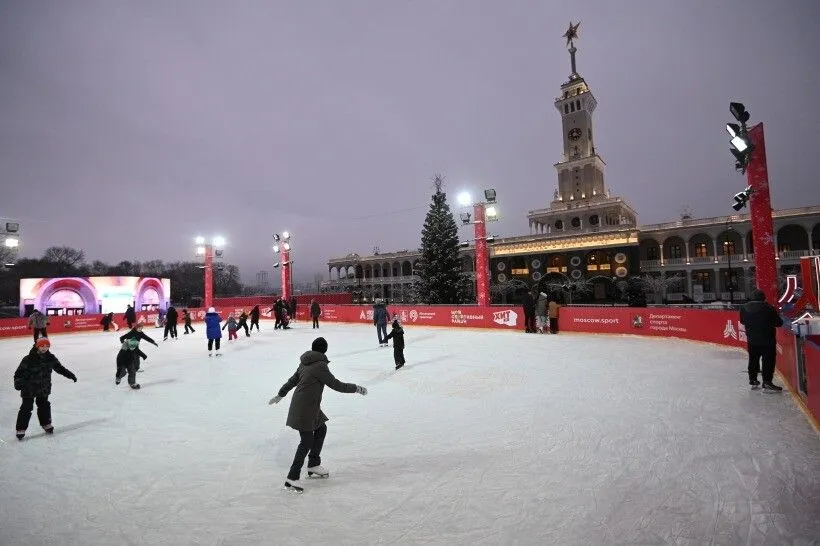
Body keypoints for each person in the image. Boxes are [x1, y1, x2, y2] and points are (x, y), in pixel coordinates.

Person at [269, 337, 368, 492]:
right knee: (306, 441)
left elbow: (292, 381)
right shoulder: (320, 365)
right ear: (325, 350)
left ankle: (313, 464)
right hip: (305, 408)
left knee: (321, 429)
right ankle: (292, 477)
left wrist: (281, 394)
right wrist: (356, 388)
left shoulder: (305, 362)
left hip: (307, 405)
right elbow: (336, 385)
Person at [14, 337, 77, 440]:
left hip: (43, 387)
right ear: (37, 346)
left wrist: (70, 375)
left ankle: (46, 423)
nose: (44, 348)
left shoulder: (50, 358)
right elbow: (19, 373)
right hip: (28, 388)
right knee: (26, 408)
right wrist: (18, 383)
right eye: (42, 346)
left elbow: (59, 368)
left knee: (44, 405)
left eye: (47, 346)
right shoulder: (28, 359)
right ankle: (21, 429)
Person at [740, 289, 784, 391]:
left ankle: (753, 379)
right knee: (768, 361)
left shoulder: (744, 308)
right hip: (767, 340)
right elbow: (779, 323)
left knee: (753, 359)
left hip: (752, 339)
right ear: (763, 298)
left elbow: (742, 321)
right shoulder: (769, 308)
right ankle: (767, 382)